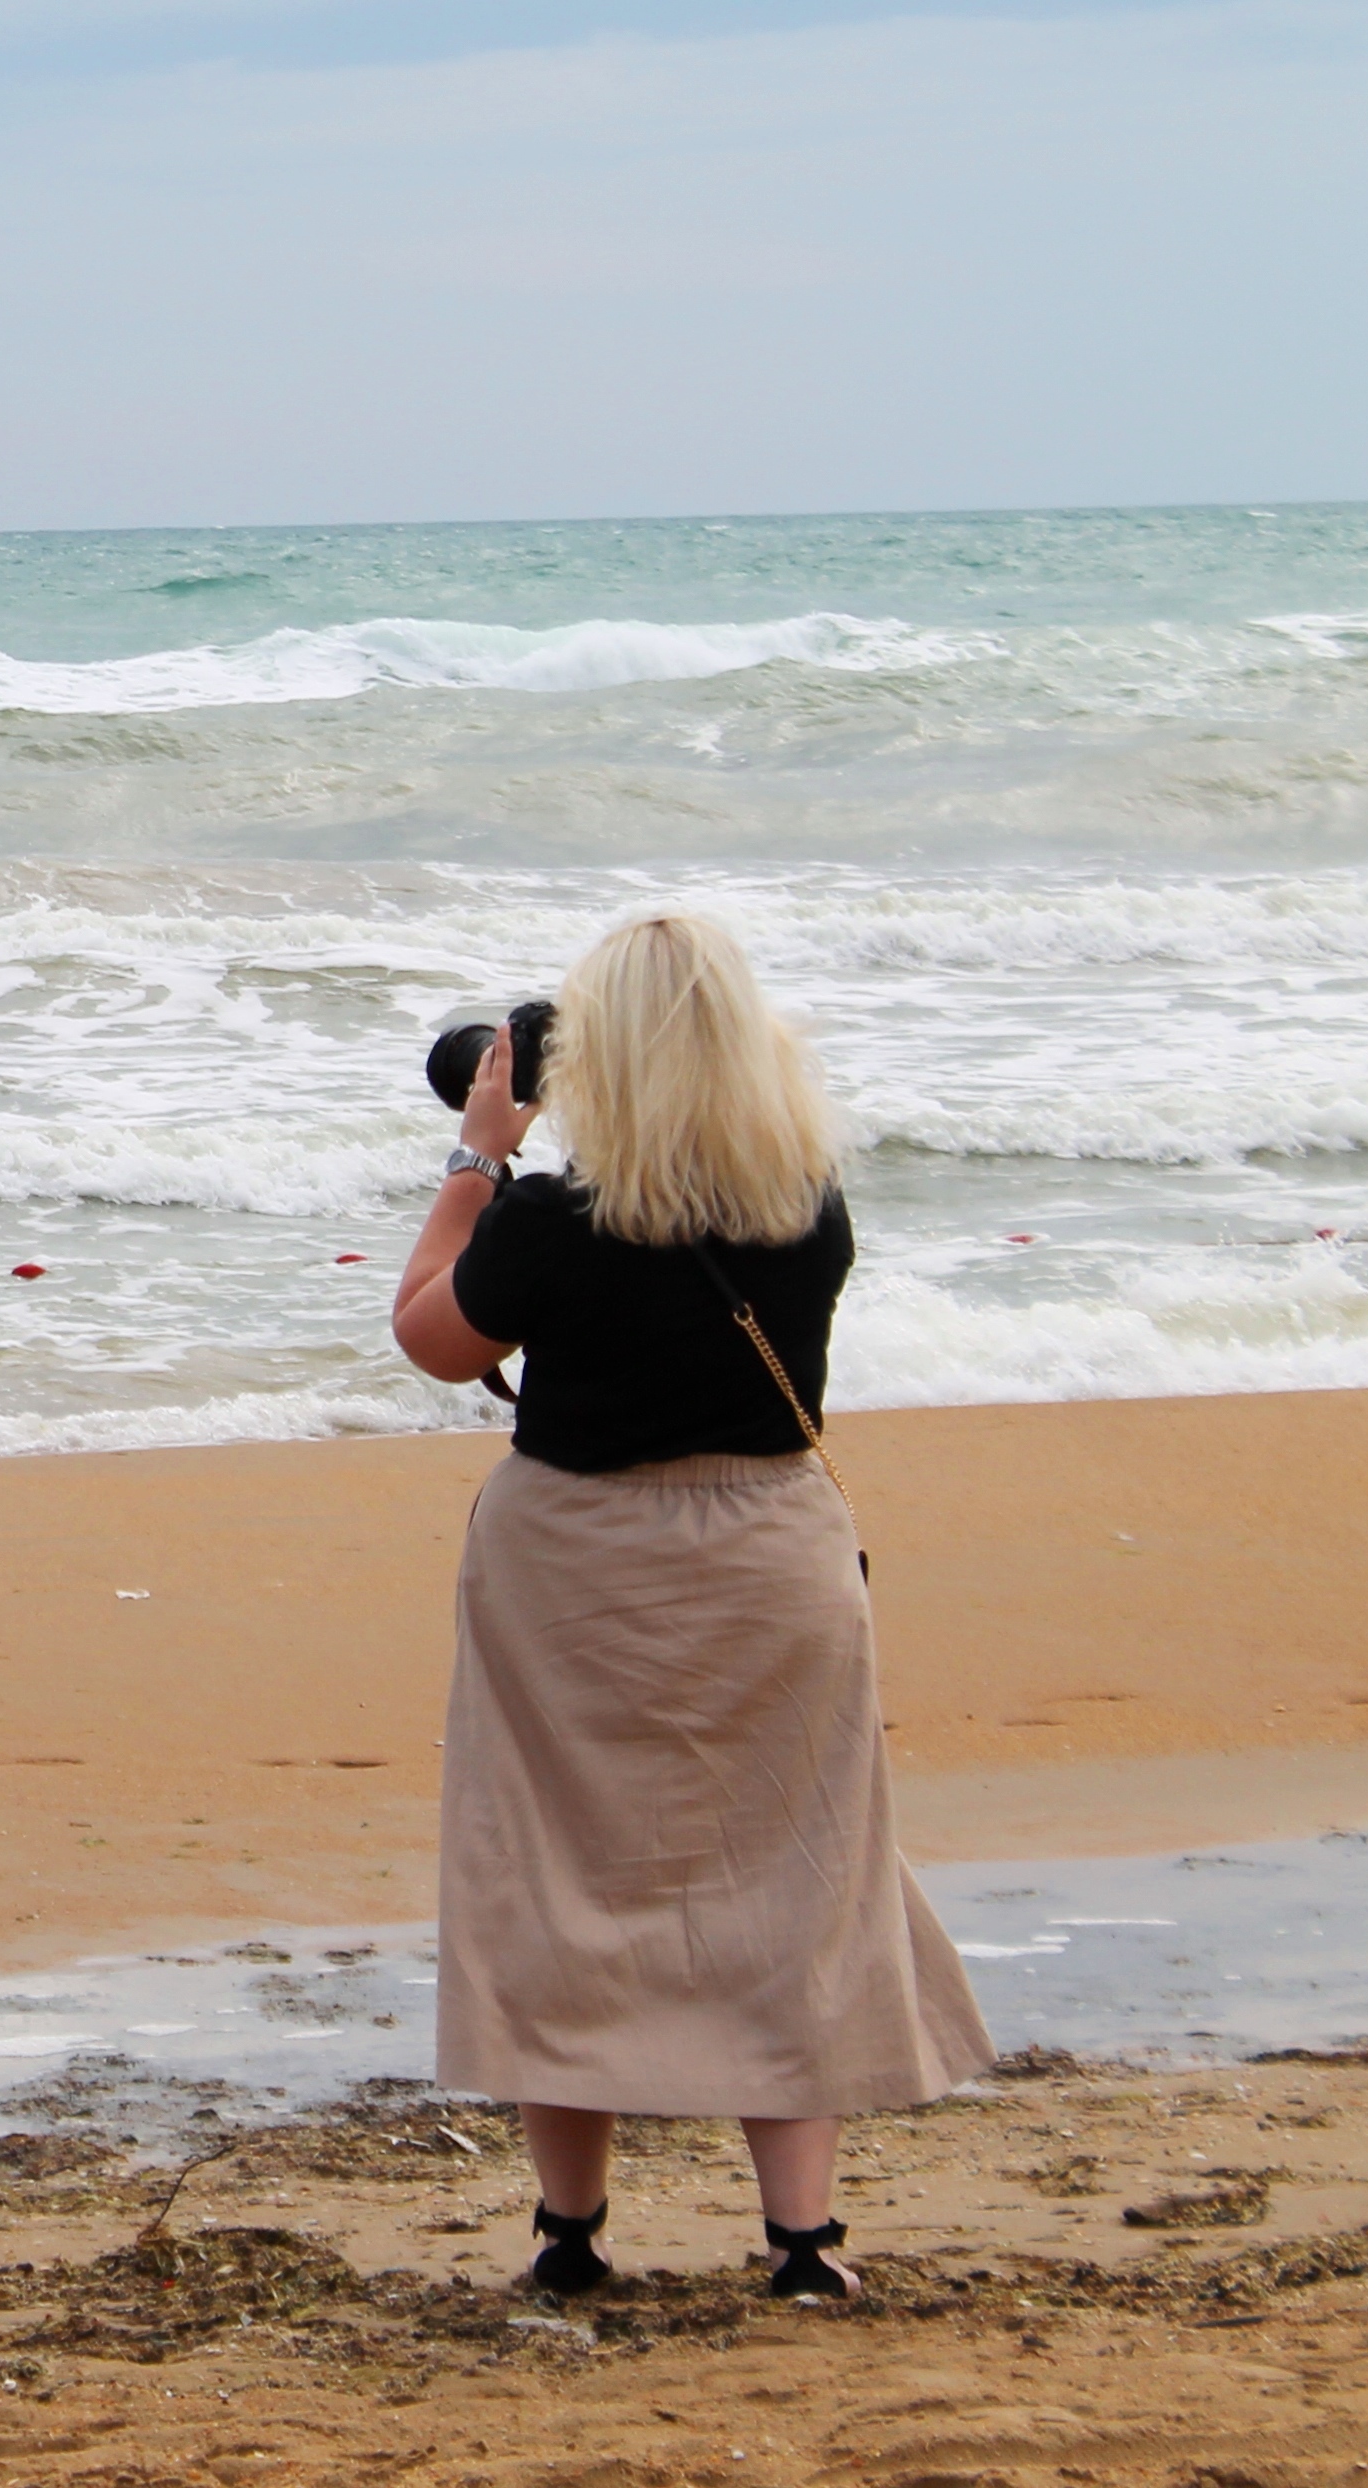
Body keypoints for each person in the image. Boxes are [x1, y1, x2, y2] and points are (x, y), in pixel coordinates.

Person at [388, 910, 988, 2305]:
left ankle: (572, 2236)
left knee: (558, 1876)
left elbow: (429, 1335)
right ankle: (802, 2248)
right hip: (771, 1547)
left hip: (578, 1567)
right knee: (798, 1884)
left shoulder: (551, 1222)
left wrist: (483, 1148)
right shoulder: (809, 1203)